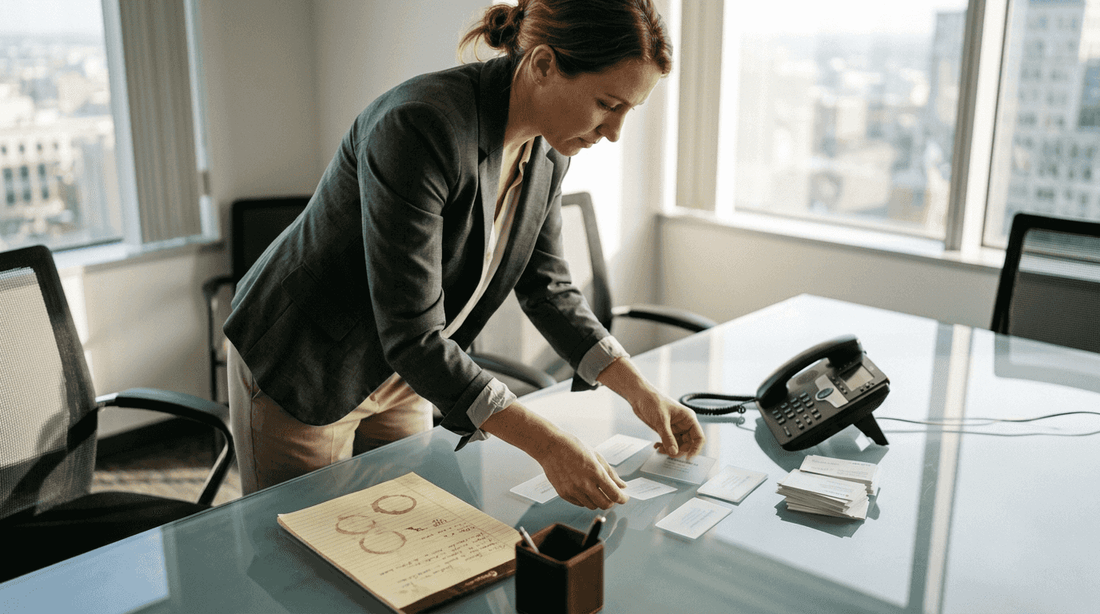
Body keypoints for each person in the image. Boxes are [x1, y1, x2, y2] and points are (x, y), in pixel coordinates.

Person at [223, 0, 705, 510]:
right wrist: (549, 445)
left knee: (406, 530)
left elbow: (548, 289)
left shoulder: (548, 152)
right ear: (542, 65)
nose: (614, 132)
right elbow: (412, 333)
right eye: (609, 104)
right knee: (306, 554)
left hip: (406, 372)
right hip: (308, 361)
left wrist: (638, 391)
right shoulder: (418, 126)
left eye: (629, 109)